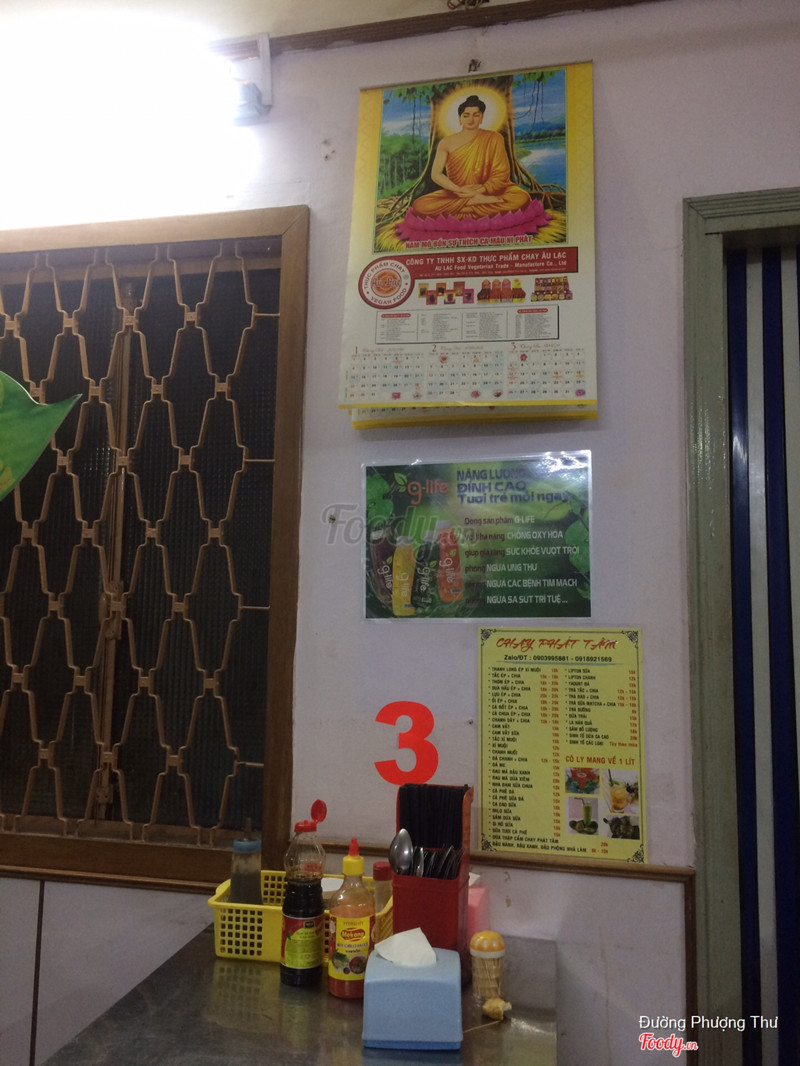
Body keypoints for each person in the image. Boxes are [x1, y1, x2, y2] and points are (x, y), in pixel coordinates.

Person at [396, 94, 551, 241]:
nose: (471, 119)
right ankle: (474, 203)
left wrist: (482, 189)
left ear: (482, 117)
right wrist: (459, 190)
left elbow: (501, 173)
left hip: (487, 191)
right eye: (466, 115)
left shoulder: (494, 138)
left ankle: (469, 205)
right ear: (459, 118)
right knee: (421, 205)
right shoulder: (446, 142)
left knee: (520, 198)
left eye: (476, 115)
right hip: (457, 192)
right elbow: (436, 174)